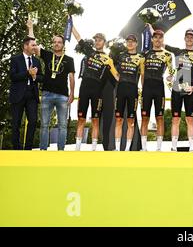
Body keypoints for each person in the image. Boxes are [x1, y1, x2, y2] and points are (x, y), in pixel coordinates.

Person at [27, 19, 75, 151]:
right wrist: (30, 28)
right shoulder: (47, 55)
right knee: (44, 124)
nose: (56, 44)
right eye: (54, 42)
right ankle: (43, 150)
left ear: (63, 44)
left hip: (63, 96)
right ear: (52, 44)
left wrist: (72, 94)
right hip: (47, 94)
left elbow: (71, 77)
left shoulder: (69, 59)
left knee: (63, 125)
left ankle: (60, 151)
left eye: (59, 42)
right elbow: (34, 45)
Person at [71, 25, 119, 151]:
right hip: (84, 89)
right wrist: (71, 24)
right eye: (96, 40)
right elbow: (78, 38)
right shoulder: (89, 51)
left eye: (100, 40)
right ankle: (77, 148)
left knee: (95, 120)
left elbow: (117, 77)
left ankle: (93, 149)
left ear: (104, 42)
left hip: (97, 92)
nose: (97, 42)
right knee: (81, 119)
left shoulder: (108, 59)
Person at [163, 28, 193, 152]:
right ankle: (174, 147)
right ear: (184, 38)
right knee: (176, 119)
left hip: (189, 90)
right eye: (187, 36)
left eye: (192, 37)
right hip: (176, 89)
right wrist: (151, 29)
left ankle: (191, 147)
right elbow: (161, 43)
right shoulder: (178, 51)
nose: (189, 39)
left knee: (190, 119)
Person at [140, 28, 174, 151]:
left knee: (160, 117)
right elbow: (142, 75)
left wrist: (171, 77)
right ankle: (144, 148)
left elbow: (171, 72)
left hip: (159, 87)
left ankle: (159, 148)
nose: (158, 39)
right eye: (156, 37)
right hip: (147, 88)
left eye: (160, 37)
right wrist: (142, 90)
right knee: (144, 118)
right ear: (152, 39)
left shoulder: (168, 55)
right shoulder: (144, 54)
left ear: (162, 40)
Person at [9, 36, 43, 150]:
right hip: (18, 95)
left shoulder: (37, 61)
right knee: (16, 123)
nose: (35, 47)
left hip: (32, 95)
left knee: (33, 121)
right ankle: (16, 148)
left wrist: (34, 77)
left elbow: (41, 78)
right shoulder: (15, 59)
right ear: (25, 46)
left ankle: (28, 148)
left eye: (35, 45)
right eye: (33, 45)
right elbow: (13, 76)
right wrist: (27, 72)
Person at [113, 34, 145, 151]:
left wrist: (144, 89)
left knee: (131, 121)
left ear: (136, 43)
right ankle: (117, 148)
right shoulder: (120, 56)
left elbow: (142, 75)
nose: (130, 43)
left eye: (132, 41)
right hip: (121, 89)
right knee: (118, 119)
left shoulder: (141, 58)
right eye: (128, 41)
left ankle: (127, 149)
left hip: (133, 90)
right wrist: (116, 76)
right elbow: (110, 64)